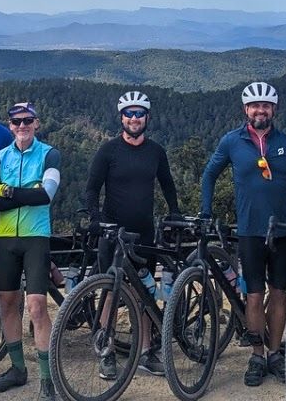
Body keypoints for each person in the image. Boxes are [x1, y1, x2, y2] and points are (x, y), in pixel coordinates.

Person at [200, 82, 286, 387]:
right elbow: (209, 174)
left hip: (285, 231)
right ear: (245, 110)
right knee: (253, 295)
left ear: (274, 110)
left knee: (278, 294)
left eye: (265, 105)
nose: (260, 110)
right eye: (254, 106)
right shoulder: (231, 141)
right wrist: (206, 212)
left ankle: (276, 353)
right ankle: (257, 354)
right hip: (250, 231)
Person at [85, 90, 181, 379]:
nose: (134, 118)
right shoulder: (108, 150)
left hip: (144, 235)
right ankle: (107, 350)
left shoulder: (156, 152)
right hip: (113, 233)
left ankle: (145, 353)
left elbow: (167, 185)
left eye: (139, 113)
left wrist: (174, 211)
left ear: (147, 117)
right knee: (109, 293)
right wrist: (96, 218)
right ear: (121, 117)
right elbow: (91, 188)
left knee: (144, 293)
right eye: (129, 113)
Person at [0, 102, 61, 400]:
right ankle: (18, 369)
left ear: (37, 123)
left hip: (35, 238)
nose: (22, 126)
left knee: (37, 307)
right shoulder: (0, 158)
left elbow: (46, 195)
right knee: (7, 304)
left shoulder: (49, 154)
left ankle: (47, 378)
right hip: (5, 238)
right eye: (16, 122)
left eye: (28, 120)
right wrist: (26, 193)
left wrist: (10, 192)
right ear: (10, 125)